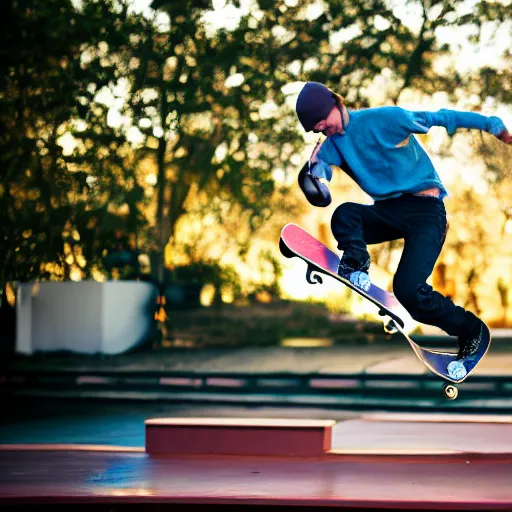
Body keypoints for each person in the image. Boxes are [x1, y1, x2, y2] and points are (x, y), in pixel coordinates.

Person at [294, 81, 511, 360]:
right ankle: (356, 262)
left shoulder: (386, 119)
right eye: (318, 130)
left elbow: (442, 117)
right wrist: (314, 172)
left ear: (335, 105)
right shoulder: (331, 146)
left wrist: (492, 124)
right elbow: (319, 177)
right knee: (344, 214)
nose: (324, 131)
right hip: (389, 212)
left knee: (408, 291)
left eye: (324, 123)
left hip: (426, 211)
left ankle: (471, 330)